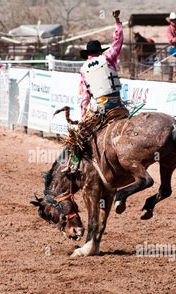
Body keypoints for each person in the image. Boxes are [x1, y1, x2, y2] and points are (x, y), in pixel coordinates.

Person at [62, 9, 125, 173]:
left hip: (102, 106)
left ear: (87, 54)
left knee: (80, 137)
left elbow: (85, 97)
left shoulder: (83, 69)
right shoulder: (108, 57)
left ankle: (74, 165)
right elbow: (118, 40)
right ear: (100, 51)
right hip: (117, 103)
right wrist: (117, 20)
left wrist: (83, 118)